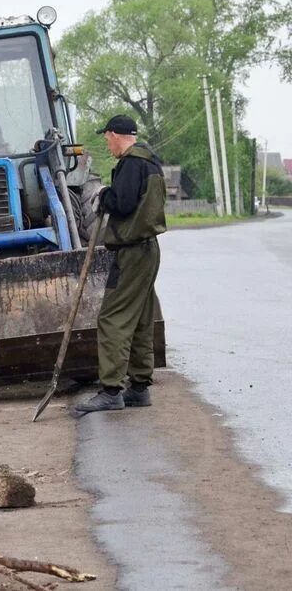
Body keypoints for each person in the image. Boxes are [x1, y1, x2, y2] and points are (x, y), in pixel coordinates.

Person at [75, 114, 166, 413]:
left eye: (107, 137)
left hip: (131, 252)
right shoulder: (150, 160)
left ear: (116, 135)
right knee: (140, 319)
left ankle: (111, 391)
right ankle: (139, 387)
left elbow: (123, 204)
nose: (106, 142)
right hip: (148, 250)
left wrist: (103, 195)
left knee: (112, 318)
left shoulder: (131, 163)